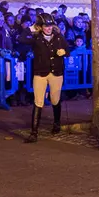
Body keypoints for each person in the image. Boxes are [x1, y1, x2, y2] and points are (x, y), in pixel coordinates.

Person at [24, 14, 69, 143]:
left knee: (55, 99)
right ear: (40, 26)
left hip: (56, 72)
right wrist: (32, 27)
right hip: (40, 73)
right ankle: (34, 132)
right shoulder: (36, 38)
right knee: (38, 101)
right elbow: (21, 39)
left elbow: (68, 49)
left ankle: (56, 123)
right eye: (45, 26)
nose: (48, 28)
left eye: (50, 25)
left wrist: (64, 52)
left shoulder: (59, 37)